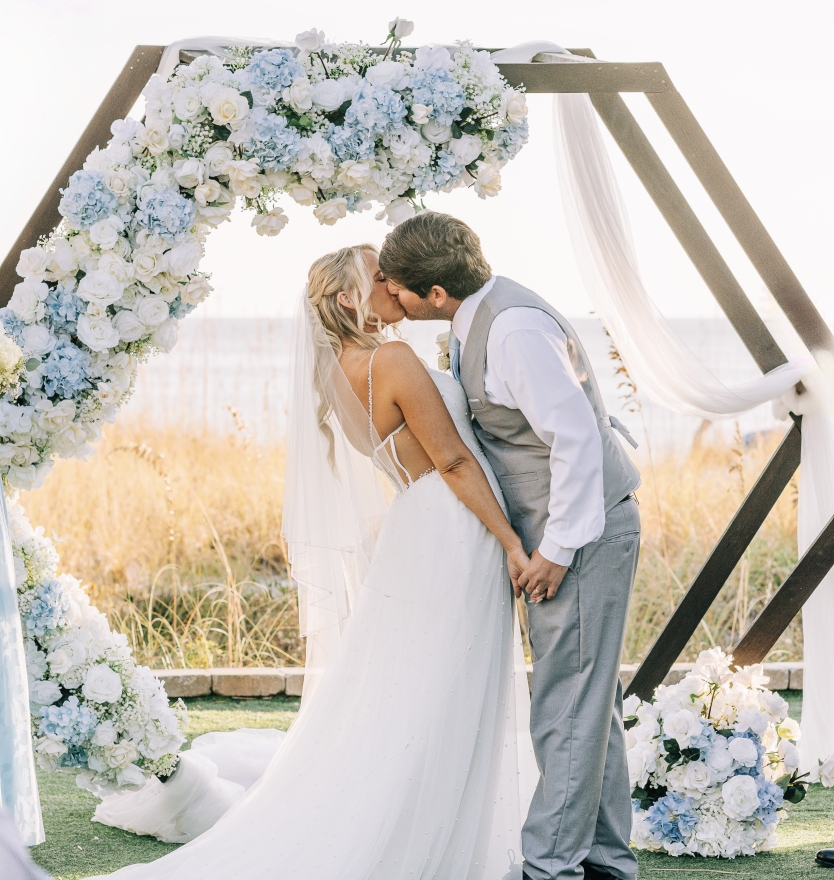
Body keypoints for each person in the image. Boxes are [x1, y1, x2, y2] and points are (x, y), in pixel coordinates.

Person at [88, 243, 537, 879]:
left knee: (422, 678)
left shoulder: (339, 372)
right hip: (456, 523)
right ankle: (433, 829)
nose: (395, 283)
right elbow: (456, 461)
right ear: (351, 297)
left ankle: (430, 814)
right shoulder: (394, 357)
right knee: (451, 674)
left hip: (418, 523)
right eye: (380, 277)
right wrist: (513, 542)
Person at [379, 212, 642, 880]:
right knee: (589, 704)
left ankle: (550, 869)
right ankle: (606, 861)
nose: (391, 295)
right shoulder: (481, 318)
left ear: (436, 294)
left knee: (566, 708)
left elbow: (576, 438)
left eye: (400, 288)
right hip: (567, 529)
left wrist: (554, 549)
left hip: (580, 534)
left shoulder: (514, 330)